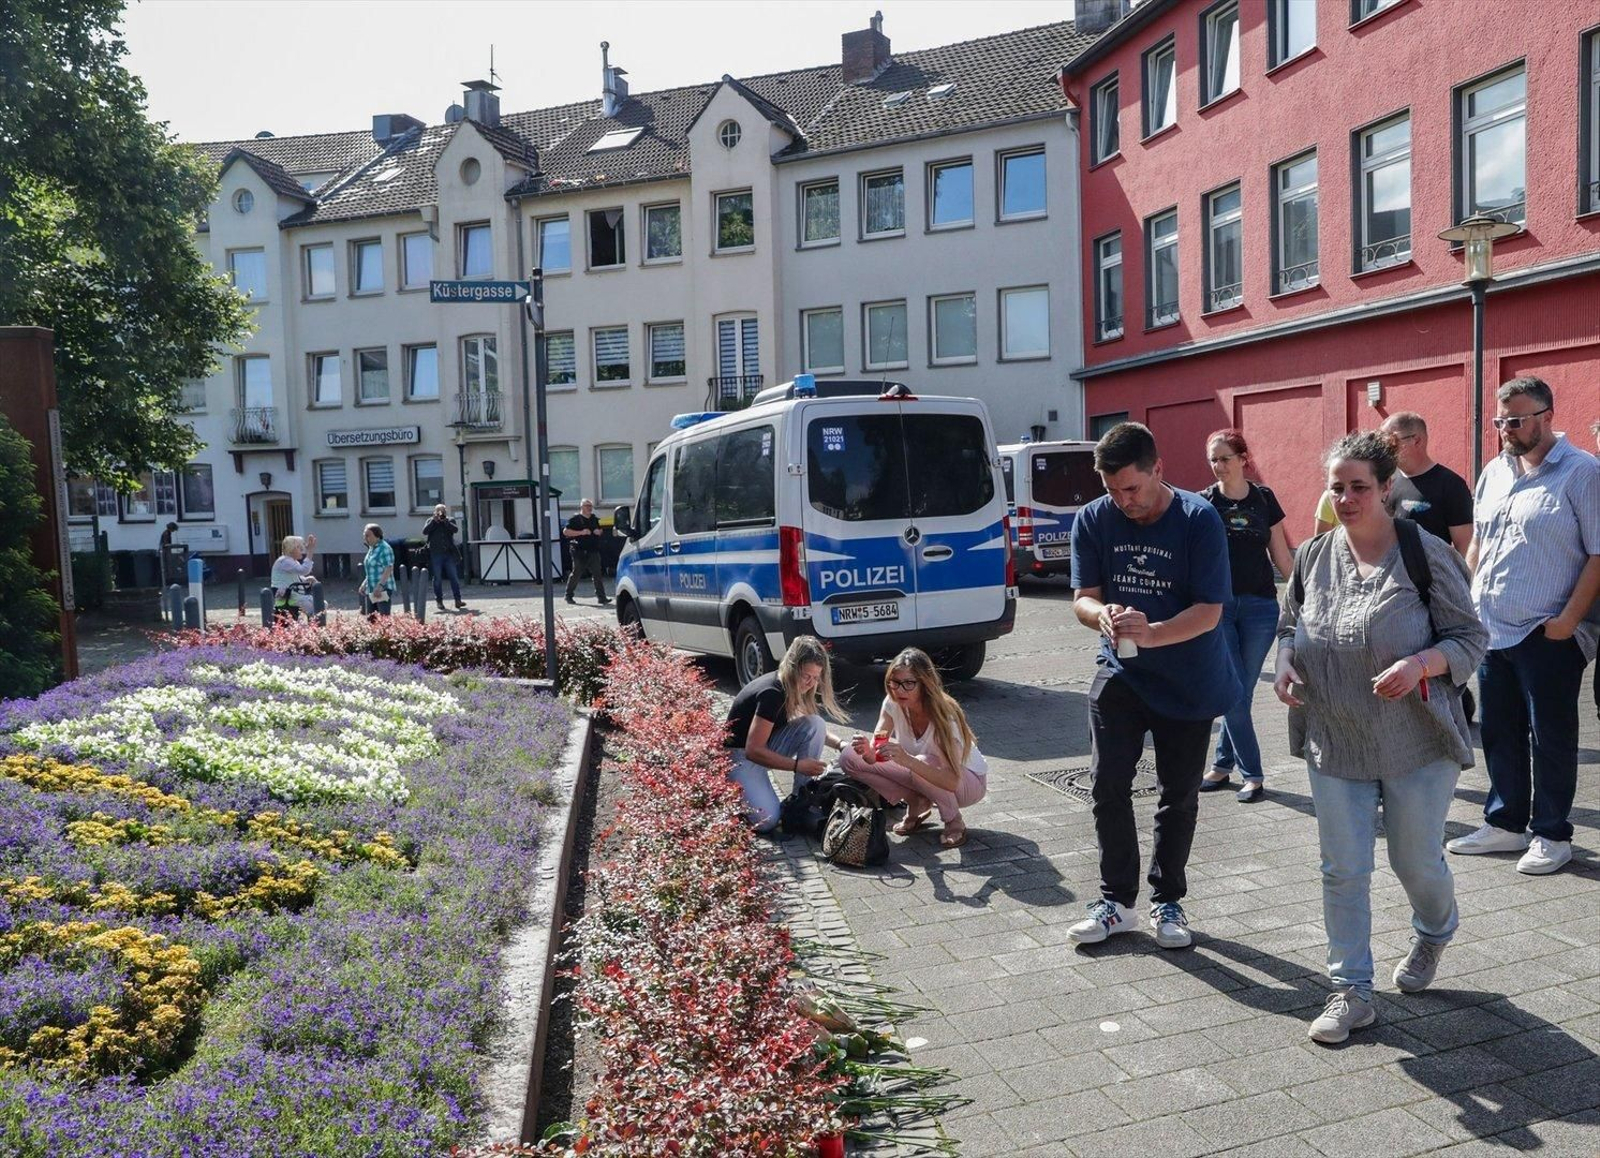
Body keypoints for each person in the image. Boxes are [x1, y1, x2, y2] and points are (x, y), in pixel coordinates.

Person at [1275, 431, 1488, 1044]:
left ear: (1387, 487)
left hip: (1414, 739)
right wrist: (1287, 660)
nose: (1345, 498)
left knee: (1413, 858)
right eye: (1336, 487)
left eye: (1358, 486)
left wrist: (1422, 665)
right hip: (1335, 735)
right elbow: (1290, 621)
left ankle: (1434, 929)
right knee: (1342, 867)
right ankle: (1351, 991)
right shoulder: (1315, 555)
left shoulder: (1423, 553)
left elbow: (1470, 638)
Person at [1067, 422, 1239, 950]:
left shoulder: (1198, 519)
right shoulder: (1093, 519)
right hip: (1121, 672)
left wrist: (1155, 632)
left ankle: (1168, 901)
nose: (1122, 501)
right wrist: (1101, 616)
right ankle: (1117, 901)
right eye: (1111, 489)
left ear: (1157, 470)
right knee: (1106, 785)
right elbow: (1082, 597)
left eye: (1132, 489)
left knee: (1178, 794)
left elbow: (1210, 612)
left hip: (1188, 678)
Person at [1447, 377, 1600, 876]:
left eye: (1516, 419)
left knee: (1550, 736)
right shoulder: (1494, 471)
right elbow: (1479, 542)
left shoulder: (1581, 472)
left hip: (1547, 631)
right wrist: (1470, 601)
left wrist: (1568, 621)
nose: (1506, 429)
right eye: (1500, 420)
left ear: (1547, 415)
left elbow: (1599, 553)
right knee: (1498, 731)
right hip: (1492, 628)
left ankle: (1553, 834)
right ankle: (1506, 823)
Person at [1198, 429, 1294, 803]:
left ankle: (1222, 766)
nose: (1218, 466)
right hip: (1218, 608)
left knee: (1242, 690)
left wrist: (1303, 596)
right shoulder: (1205, 503)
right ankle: (1253, 774)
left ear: (1243, 459)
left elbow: (1281, 554)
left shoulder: (1264, 498)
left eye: (1224, 458)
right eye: (1213, 459)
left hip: (1260, 608)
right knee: (1235, 691)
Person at [838, 648, 987, 849]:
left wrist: (908, 760)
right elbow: (876, 754)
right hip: (922, 770)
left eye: (908, 684)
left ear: (925, 684)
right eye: (894, 682)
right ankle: (916, 802)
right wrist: (867, 752)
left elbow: (951, 781)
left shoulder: (946, 716)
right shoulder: (892, 702)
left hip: (967, 783)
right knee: (849, 756)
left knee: (921, 762)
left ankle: (953, 820)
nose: (899, 690)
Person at [723, 636, 849, 833]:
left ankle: (802, 801)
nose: (810, 683)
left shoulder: (794, 685)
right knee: (767, 822)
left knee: (815, 723)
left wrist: (842, 745)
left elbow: (814, 727)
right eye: (807, 676)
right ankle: (733, 795)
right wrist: (798, 766)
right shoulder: (772, 693)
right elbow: (753, 750)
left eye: (816, 678)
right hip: (739, 757)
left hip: (763, 747)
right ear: (792, 667)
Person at [1378, 412, 1474, 556]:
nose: (1385, 450)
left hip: (1432, 576)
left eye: (1391, 442)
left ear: (1417, 441)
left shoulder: (1450, 485)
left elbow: (1466, 548)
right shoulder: (1388, 484)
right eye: (1381, 444)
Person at [562, 498, 610, 606]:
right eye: (587, 506)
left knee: (597, 573)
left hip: (593, 550)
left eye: (590, 506)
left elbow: (600, 529)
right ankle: (568, 595)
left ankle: (601, 598)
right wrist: (581, 532)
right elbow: (566, 532)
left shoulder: (594, 519)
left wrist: (599, 532)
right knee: (577, 573)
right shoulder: (575, 519)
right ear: (582, 507)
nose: (589, 508)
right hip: (579, 550)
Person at [422, 503, 467, 611]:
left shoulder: (450, 520)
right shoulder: (430, 520)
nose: (440, 513)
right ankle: (439, 601)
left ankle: (458, 600)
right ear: (434, 512)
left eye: (443, 511)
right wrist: (434, 521)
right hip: (435, 553)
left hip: (449, 554)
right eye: (438, 511)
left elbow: (455, 530)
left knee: (454, 577)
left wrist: (445, 522)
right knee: (437, 578)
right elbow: (425, 531)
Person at [269, 534, 318, 620]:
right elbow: (304, 570)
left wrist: (306, 579)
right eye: (299, 547)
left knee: (320, 605)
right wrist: (310, 552)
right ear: (291, 549)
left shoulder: (291, 561)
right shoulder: (285, 561)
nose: (302, 550)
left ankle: (310, 626)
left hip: (293, 595)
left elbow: (295, 578)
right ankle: (314, 627)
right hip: (289, 597)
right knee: (318, 606)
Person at [358, 523, 396, 619]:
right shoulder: (372, 548)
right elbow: (371, 569)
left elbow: (388, 568)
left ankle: (386, 634)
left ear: (377, 535)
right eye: (364, 536)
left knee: (383, 618)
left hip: (382, 588)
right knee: (371, 618)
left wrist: (380, 586)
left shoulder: (384, 548)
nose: (365, 538)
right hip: (371, 588)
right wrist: (364, 584)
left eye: (368, 536)